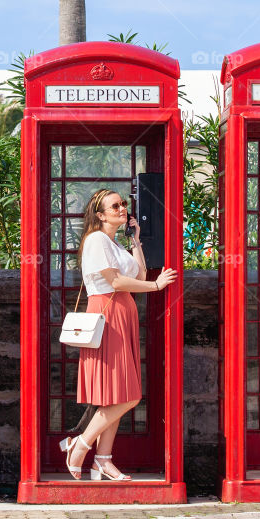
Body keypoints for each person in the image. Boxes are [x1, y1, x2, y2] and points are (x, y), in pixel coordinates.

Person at [62, 187, 177, 481]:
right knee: (128, 396)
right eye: (115, 206)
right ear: (100, 215)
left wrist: (135, 240)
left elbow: (137, 274)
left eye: (123, 204)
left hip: (123, 314)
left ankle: (103, 460)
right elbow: (115, 281)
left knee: (115, 395)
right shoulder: (96, 240)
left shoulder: (114, 244)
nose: (122, 209)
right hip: (107, 313)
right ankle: (80, 445)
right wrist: (156, 287)